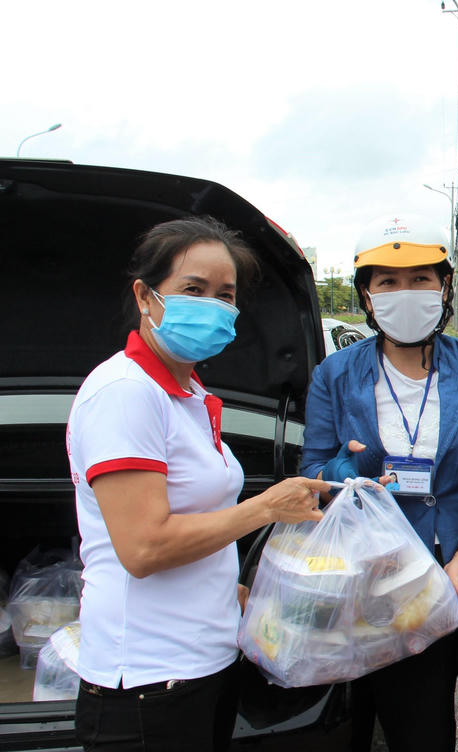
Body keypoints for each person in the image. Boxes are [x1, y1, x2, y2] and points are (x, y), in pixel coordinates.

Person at [66, 217, 328, 751]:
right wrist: (265, 509)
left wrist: (227, 590)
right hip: (148, 680)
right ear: (145, 296)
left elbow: (196, 521)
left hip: (205, 662)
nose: (211, 305)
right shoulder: (125, 393)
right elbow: (145, 548)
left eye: (224, 295)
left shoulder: (187, 393)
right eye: (193, 289)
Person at [300, 214, 458, 752]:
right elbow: (313, 470)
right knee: (416, 737)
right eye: (388, 282)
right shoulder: (335, 374)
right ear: (366, 296)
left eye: (420, 279)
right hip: (390, 591)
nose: (404, 292)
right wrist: (344, 474)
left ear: (444, 286)